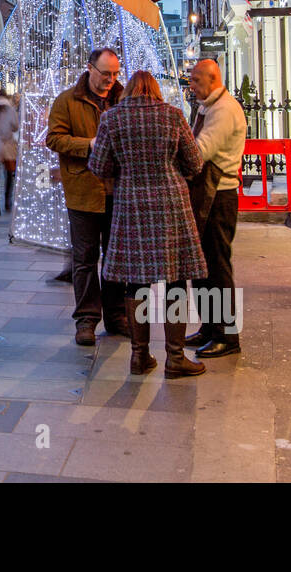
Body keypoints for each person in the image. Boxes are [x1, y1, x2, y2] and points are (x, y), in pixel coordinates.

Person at [88, 71, 207, 377]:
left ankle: (139, 356)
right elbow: (194, 163)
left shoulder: (111, 119)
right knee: (176, 279)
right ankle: (176, 357)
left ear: (128, 90)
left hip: (130, 205)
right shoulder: (173, 115)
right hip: (171, 205)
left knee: (135, 282)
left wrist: (124, 167)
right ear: (155, 90)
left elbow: (99, 166)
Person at [45, 47, 128, 345]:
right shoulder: (67, 100)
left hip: (118, 192)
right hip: (83, 192)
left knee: (117, 259)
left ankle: (117, 316)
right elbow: (53, 138)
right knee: (84, 259)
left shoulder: (124, 98)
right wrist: (89, 144)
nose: (110, 79)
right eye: (105, 73)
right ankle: (86, 320)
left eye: (115, 74)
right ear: (90, 68)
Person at [185, 58, 248, 359]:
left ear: (212, 79)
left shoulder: (224, 110)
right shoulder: (208, 106)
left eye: (196, 80)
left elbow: (199, 151)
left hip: (219, 197)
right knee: (203, 266)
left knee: (217, 266)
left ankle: (227, 334)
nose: (191, 85)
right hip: (205, 194)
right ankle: (209, 327)